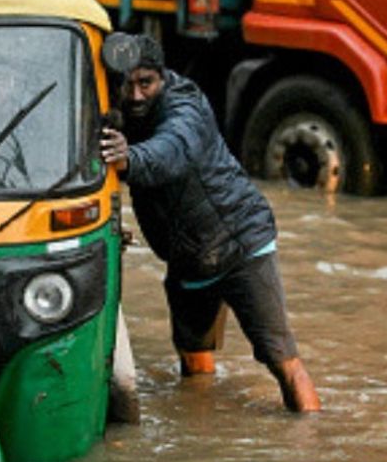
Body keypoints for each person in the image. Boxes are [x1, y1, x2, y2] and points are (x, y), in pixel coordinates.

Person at [99, 35, 321, 413]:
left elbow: (172, 150)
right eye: (127, 84)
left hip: (239, 244)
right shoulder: (121, 109)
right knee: (192, 358)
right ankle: (201, 433)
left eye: (146, 83)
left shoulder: (185, 106)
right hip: (189, 257)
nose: (135, 95)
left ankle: (311, 444)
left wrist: (130, 158)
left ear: (163, 78)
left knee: (282, 360)